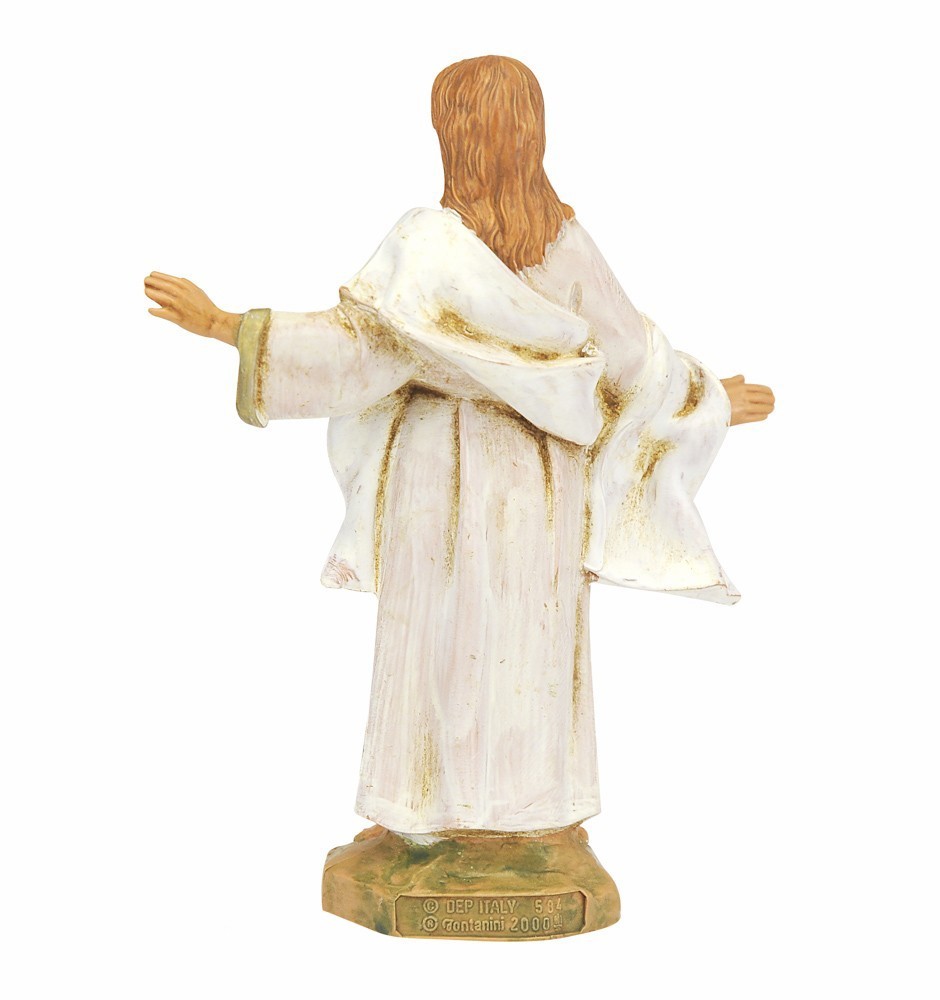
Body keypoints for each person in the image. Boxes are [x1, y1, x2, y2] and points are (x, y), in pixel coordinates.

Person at [144, 56, 774, 844]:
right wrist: (705, 396)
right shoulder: (532, 246)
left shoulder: (441, 246)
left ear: (453, 137)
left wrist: (225, 326)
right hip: (525, 481)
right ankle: (473, 823)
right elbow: (631, 365)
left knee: (462, 643)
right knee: (509, 644)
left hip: (454, 476)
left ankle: (474, 824)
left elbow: (355, 352)